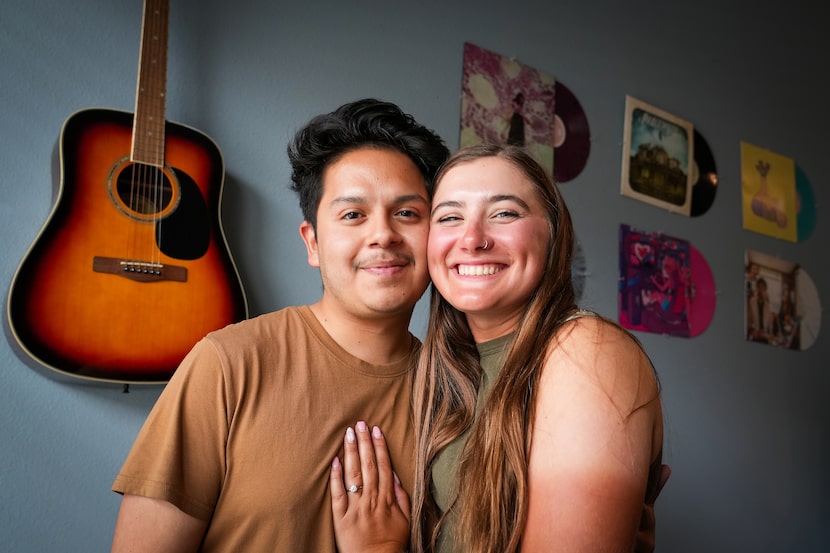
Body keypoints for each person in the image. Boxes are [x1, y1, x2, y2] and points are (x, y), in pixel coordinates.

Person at [109, 98, 450, 552]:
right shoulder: (229, 364)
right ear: (312, 242)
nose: (383, 234)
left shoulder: (455, 395)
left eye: (407, 213)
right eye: (353, 214)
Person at [331, 144, 667, 553]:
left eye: (504, 213)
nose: (472, 239)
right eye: (450, 217)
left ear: (553, 234)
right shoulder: (444, 370)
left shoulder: (586, 351)